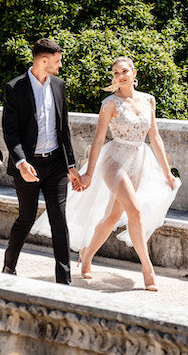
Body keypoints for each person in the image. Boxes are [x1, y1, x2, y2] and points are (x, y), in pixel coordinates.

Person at [69, 56, 179, 290]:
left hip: (139, 159)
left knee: (111, 217)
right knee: (135, 211)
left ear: (134, 73)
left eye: (125, 71)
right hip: (114, 160)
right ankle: (147, 269)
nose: (121, 76)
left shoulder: (149, 100)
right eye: (116, 73)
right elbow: (99, 139)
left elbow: (155, 137)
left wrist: (167, 172)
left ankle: (86, 255)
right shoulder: (110, 103)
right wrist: (88, 173)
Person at [1, 37, 83, 284]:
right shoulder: (15, 88)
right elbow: (10, 131)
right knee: (26, 217)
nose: (60, 66)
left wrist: (71, 165)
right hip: (28, 166)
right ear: (43, 60)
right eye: (57, 61)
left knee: (59, 218)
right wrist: (21, 162)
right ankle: (9, 266)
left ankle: (64, 281)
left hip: (56, 164)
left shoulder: (58, 85)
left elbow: (63, 129)